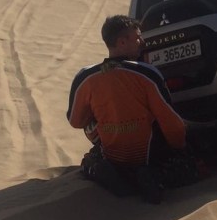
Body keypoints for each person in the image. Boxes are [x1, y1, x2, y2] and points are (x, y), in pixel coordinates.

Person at [67, 15, 187, 202]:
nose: (142, 42)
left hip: (112, 157)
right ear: (122, 42)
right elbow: (172, 124)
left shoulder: (86, 77)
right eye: (137, 38)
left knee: (90, 154)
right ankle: (152, 176)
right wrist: (179, 147)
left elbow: (75, 121)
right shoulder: (146, 73)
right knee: (186, 163)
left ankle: (113, 175)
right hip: (150, 156)